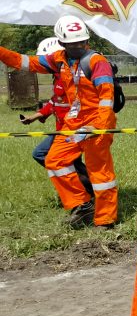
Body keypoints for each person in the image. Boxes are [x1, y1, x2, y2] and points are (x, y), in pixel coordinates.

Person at [0, 15, 119, 228]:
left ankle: (105, 220)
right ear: (62, 43)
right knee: (54, 160)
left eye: (81, 42)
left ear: (86, 40)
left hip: (97, 122)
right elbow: (24, 62)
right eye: (73, 44)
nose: (78, 46)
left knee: (100, 173)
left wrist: (99, 127)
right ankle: (82, 205)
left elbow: (106, 96)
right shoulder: (58, 59)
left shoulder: (96, 62)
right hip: (74, 124)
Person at [18, 37, 93, 198]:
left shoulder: (70, 77)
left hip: (71, 130)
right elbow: (55, 101)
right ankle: (86, 189)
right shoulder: (59, 76)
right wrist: (35, 116)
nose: (44, 65)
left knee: (43, 154)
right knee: (71, 162)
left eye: (45, 61)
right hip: (63, 130)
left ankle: (84, 190)